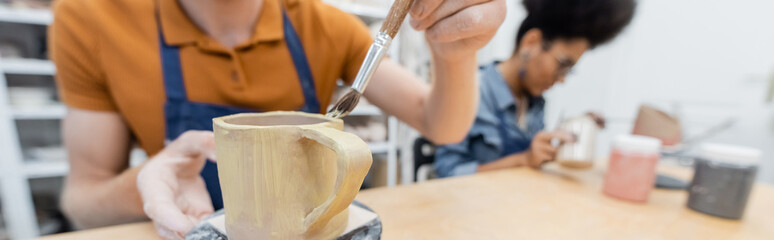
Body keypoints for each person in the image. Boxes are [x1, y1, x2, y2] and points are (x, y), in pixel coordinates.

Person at [49, 0, 505, 238]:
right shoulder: (90, 18)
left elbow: (442, 125)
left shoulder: (325, 24)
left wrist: (456, 52)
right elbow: (80, 200)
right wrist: (145, 185)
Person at [434, 0, 636, 178]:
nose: (562, 79)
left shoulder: (535, 102)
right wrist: (523, 160)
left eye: (569, 70)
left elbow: (535, 158)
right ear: (531, 43)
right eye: (562, 65)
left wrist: (577, 126)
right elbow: (446, 173)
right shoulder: (469, 90)